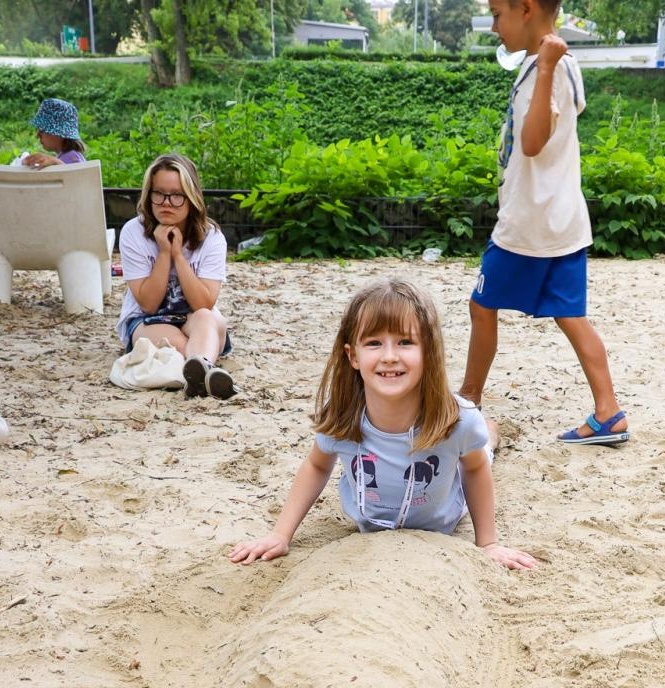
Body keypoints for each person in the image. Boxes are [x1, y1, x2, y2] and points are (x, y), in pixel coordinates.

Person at [231, 279, 537, 571]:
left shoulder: (457, 421)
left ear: (428, 351)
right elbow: (317, 465)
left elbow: (474, 468)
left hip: (446, 497)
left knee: (480, 446)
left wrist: (488, 543)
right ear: (353, 356)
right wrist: (280, 535)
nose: (389, 357)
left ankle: (490, 432)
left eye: (405, 342)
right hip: (373, 519)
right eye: (374, 343)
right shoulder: (341, 416)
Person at [457, 0, 626, 447]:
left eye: (497, 14)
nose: (493, 26)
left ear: (527, 9)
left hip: (529, 224)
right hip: (561, 219)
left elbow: (531, 143)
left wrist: (546, 66)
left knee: (482, 305)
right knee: (570, 315)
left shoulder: (549, 67)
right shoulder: (553, 64)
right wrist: (546, 64)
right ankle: (608, 411)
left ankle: (467, 402)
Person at [116, 153, 234, 399]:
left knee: (206, 318)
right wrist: (163, 253)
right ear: (148, 196)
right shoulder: (133, 232)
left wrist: (179, 256)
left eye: (177, 195)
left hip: (195, 316)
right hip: (148, 321)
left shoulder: (212, 237)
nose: (166, 203)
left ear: (192, 199)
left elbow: (204, 303)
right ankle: (204, 369)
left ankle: (199, 369)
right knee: (181, 348)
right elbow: (148, 304)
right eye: (158, 194)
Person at [20, 98, 87, 169]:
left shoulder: (73, 157)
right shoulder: (65, 156)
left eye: (43, 130)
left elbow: (78, 177)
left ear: (61, 133)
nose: (37, 135)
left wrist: (56, 162)